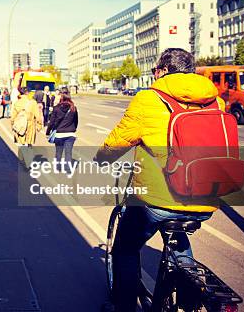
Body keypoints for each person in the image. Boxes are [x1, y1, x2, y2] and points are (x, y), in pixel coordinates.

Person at [95, 48, 222, 312]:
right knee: (178, 239)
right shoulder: (214, 101)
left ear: (163, 71)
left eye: (155, 71)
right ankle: (189, 294)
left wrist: (102, 159)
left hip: (156, 198)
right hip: (205, 197)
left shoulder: (148, 98)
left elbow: (119, 139)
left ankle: (124, 307)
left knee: (126, 249)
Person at [46, 91, 78, 172]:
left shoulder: (56, 108)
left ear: (61, 98)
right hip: (70, 134)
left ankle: (58, 167)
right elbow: (76, 121)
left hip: (59, 134)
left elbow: (51, 122)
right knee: (68, 152)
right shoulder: (73, 108)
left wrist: (48, 132)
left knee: (58, 152)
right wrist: (73, 129)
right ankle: (68, 169)